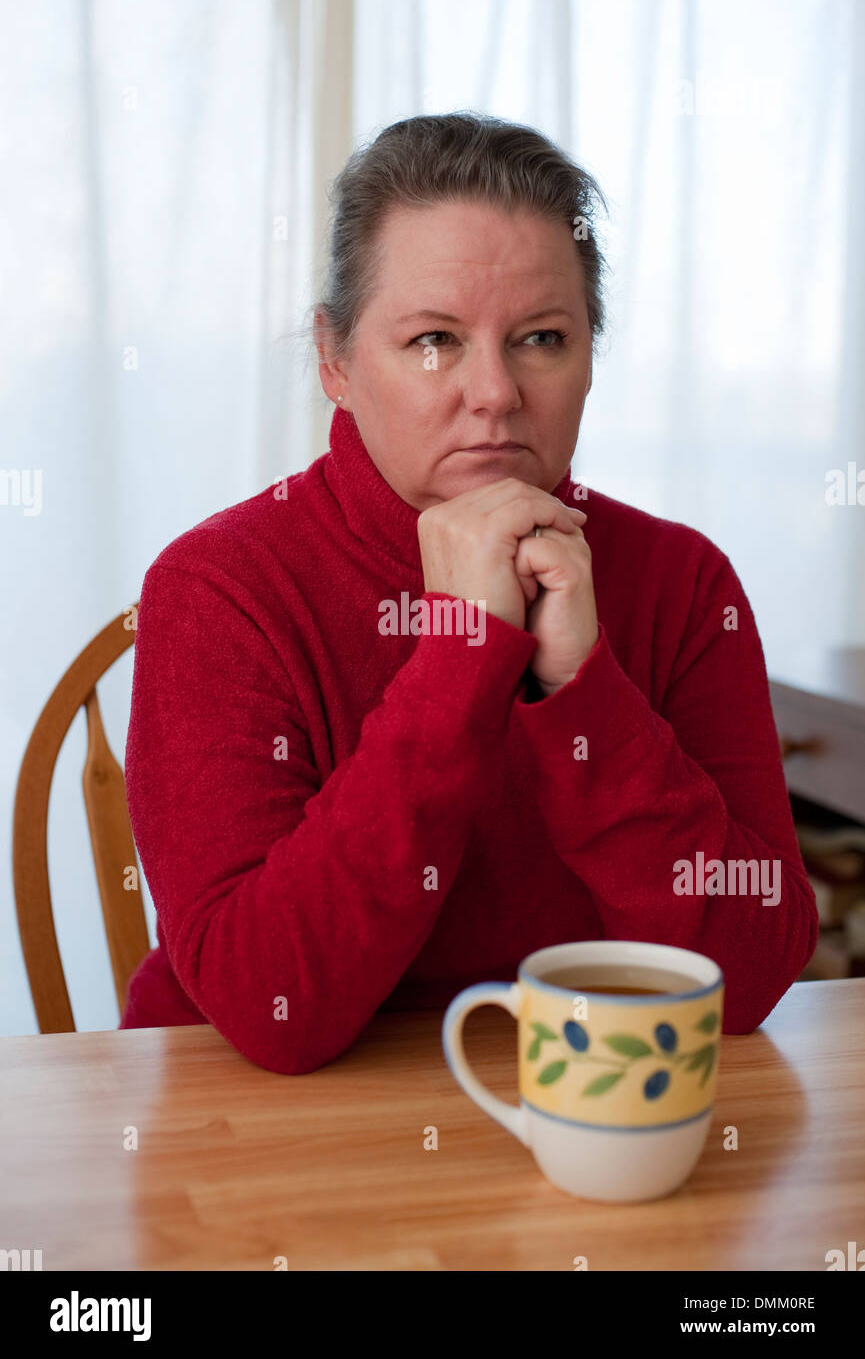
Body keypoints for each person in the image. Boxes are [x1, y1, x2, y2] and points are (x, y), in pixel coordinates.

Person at [119, 111, 817, 1073]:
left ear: (587, 357)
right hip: (254, 1133)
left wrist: (582, 692)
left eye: (540, 337)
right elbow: (272, 1009)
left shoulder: (682, 583)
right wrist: (460, 657)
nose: (493, 392)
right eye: (434, 340)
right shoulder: (218, 589)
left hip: (567, 1107)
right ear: (335, 360)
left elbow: (747, 979)